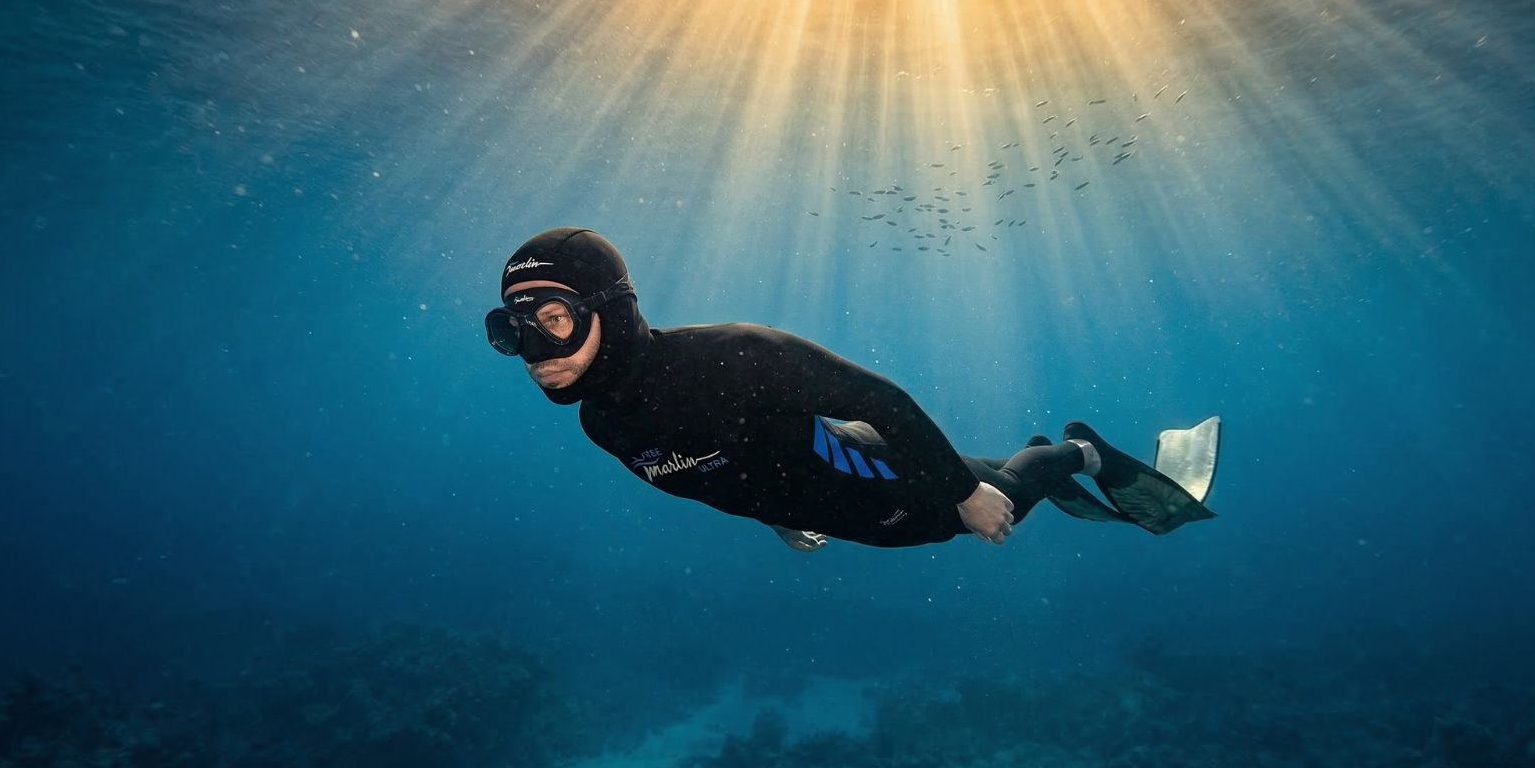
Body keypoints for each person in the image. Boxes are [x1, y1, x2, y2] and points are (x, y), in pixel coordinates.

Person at [487, 227, 1220, 550]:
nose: (536, 354)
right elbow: (719, 477)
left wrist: (962, 497)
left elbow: (882, 402)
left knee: (1001, 505)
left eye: (554, 320)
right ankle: (1022, 461)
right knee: (981, 479)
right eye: (516, 332)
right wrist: (777, 517)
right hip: (846, 502)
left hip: (892, 480)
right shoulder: (602, 424)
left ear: (610, 312)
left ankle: (1079, 453)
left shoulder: (731, 357)